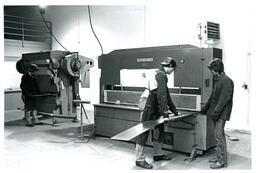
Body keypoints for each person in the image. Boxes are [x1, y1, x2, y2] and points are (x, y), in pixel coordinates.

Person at [135, 57, 179, 169]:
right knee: (144, 131)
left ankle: (158, 154)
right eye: (173, 69)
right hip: (149, 105)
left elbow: (166, 95)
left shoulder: (160, 74)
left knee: (159, 129)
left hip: (154, 105)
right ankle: (139, 159)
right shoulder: (161, 75)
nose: (173, 71)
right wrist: (164, 112)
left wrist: (174, 111)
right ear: (170, 67)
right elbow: (162, 96)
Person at [201, 58, 234, 169]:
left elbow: (223, 100)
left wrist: (215, 113)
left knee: (219, 136)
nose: (212, 72)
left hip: (221, 113)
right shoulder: (218, 79)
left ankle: (222, 161)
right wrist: (205, 107)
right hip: (216, 112)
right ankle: (220, 155)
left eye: (212, 70)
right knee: (219, 136)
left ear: (216, 69)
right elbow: (213, 96)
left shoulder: (227, 81)